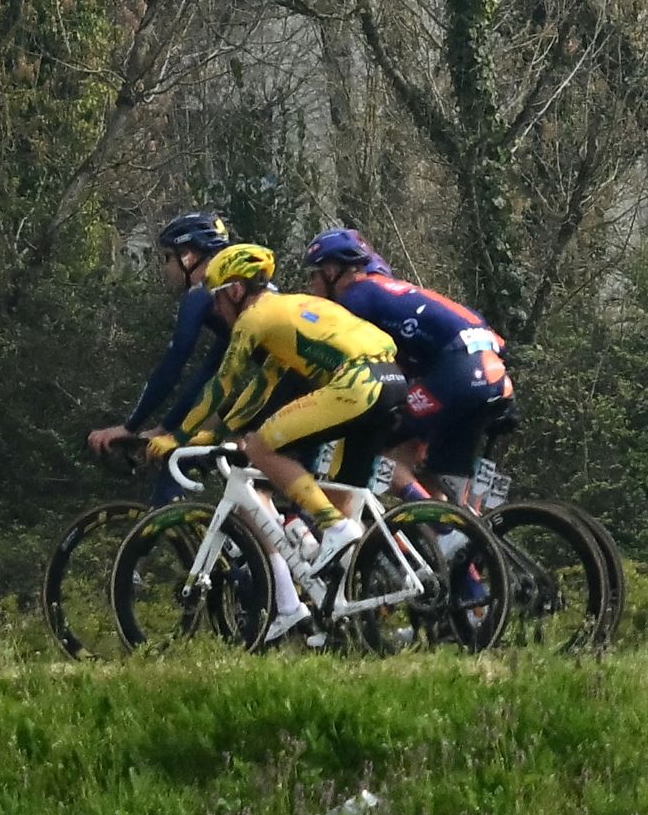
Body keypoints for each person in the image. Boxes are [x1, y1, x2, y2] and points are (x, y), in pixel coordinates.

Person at [161, 242, 410, 640]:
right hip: (391, 379)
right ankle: (354, 622)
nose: (218, 308)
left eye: (219, 297)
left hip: (356, 382)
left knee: (261, 446)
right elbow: (261, 387)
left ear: (236, 290)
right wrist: (216, 433)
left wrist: (177, 436)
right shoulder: (289, 312)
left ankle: (332, 529)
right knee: (341, 496)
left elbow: (220, 385)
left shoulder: (253, 318)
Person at [293, 232, 521, 507]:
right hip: (488, 369)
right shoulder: (390, 292)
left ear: (332, 271)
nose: (312, 284)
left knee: (380, 450)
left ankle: (443, 528)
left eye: (315, 274)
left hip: (460, 368)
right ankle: (465, 537)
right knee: (434, 470)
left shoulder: (356, 297)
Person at [92, 212, 241, 471]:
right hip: (301, 383)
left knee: (185, 458)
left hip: (294, 388)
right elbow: (209, 375)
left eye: (168, 257)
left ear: (189, 257)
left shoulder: (202, 294)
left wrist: (130, 426)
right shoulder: (229, 296)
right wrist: (165, 428)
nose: (165, 267)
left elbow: (173, 365)